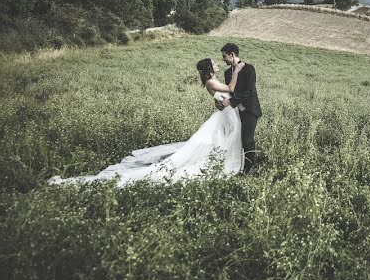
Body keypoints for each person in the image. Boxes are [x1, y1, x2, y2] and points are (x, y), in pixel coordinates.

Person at [50, 58, 244, 185]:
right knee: (217, 138)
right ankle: (225, 161)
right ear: (209, 68)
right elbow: (229, 88)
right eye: (214, 63)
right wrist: (237, 71)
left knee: (221, 138)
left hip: (225, 112)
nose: (217, 64)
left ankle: (226, 158)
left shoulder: (212, 80)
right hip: (224, 113)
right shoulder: (211, 82)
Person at [219, 43, 262, 172]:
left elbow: (250, 90)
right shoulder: (227, 73)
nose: (223, 59)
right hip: (237, 111)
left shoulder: (249, 68)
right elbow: (230, 89)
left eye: (224, 56)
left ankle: (250, 168)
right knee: (239, 139)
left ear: (232, 55)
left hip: (250, 109)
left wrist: (231, 101)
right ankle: (241, 165)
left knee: (247, 139)